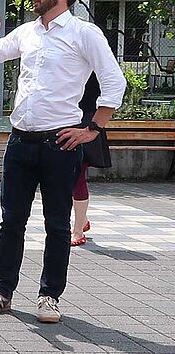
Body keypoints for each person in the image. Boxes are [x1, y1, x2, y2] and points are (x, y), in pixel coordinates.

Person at [0, 0, 125, 323]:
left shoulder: (84, 34)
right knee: (11, 221)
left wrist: (93, 129)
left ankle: (49, 296)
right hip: (20, 142)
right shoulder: (27, 32)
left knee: (57, 224)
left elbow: (114, 83)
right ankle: (2, 292)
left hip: (60, 144)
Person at [72, 75, 110, 246]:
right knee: (63, 175)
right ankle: (82, 220)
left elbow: (112, 89)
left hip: (88, 121)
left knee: (78, 174)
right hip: (62, 119)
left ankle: (78, 230)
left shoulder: (97, 58)